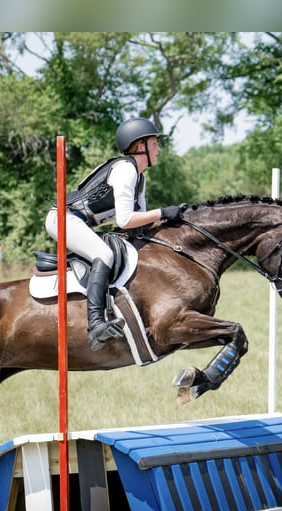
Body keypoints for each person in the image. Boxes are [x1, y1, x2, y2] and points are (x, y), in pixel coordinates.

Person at [45, 117, 184, 351]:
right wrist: (161, 211)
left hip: (80, 221)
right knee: (105, 254)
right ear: (141, 147)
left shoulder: (139, 179)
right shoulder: (125, 171)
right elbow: (125, 219)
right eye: (154, 144)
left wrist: (169, 219)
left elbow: (136, 224)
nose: (158, 149)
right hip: (63, 218)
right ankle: (96, 324)